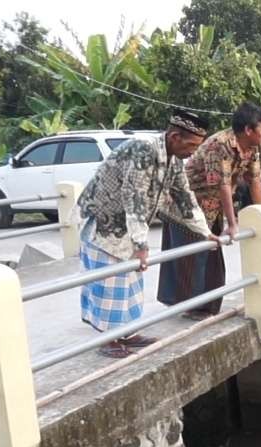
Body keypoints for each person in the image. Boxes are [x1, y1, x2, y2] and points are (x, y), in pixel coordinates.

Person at [77, 110, 219, 358]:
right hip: (106, 225)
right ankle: (107, 341)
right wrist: (142, 244)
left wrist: (205, 233)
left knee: (130, 284)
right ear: (175, 136)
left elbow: (185, 199)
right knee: (110, 285)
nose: (193, 152)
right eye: (192, 145)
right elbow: (135, 198)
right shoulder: (143, 149)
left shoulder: (173, 161)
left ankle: (127, 334)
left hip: (129, 228)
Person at [158, 101, 261, 320]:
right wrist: (233, 223)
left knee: (212, 256)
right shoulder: (221, 144)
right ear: (248, 129)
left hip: (213, 206)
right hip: (187, 205)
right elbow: (223, 185)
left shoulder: (252, 146)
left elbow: (255, 181)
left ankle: (208, 305)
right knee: (192, 256)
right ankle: (192, 307)